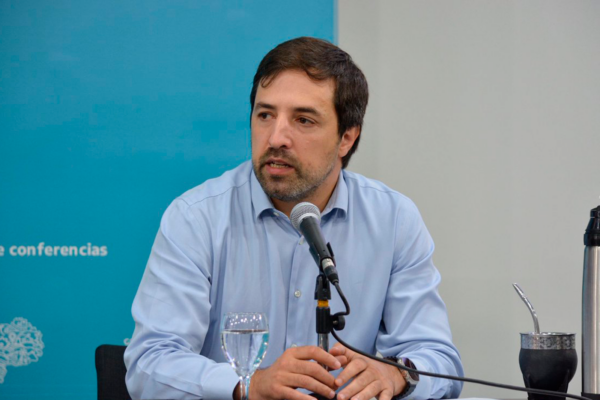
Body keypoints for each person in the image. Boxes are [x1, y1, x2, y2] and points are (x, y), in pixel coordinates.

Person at [124, 36, 464, 400]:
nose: (276, 138)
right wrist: (248, 386)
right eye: (265, 115)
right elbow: (150, 363)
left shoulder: (393, 220)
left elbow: (439, 359)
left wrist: (398, 375)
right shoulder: (197, 218)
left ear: (347, 138)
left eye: (303, 120)